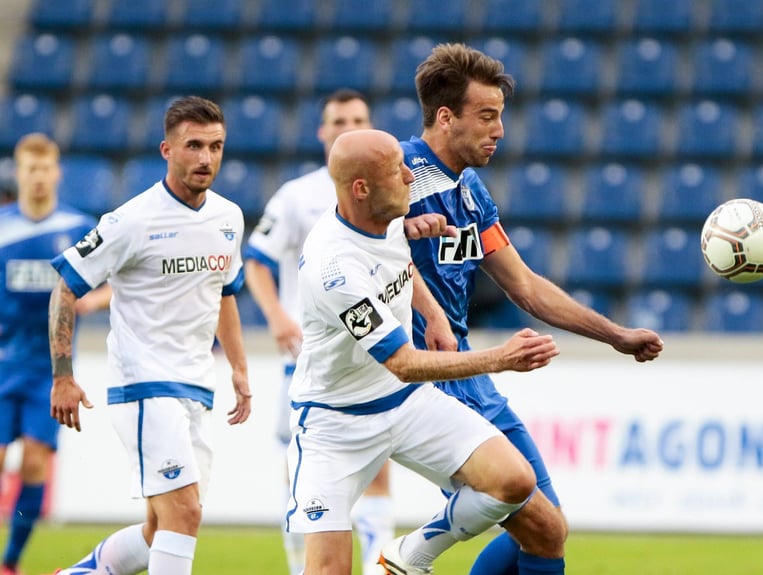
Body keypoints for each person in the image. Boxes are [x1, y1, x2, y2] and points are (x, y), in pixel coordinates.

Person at [383, 43, 665, 575]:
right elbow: (355, 241)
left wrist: (615, 335)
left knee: (547, 526)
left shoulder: (470, 192)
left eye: (500, 117)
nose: (500, 130)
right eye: (487, 116)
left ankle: (410, 554)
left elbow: (526, 286)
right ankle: (409, 553)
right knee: (537, 525)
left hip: (469, 372)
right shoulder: (397, 174)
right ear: (446, 118)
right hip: (422, 373)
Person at [286, 128, 559, 575]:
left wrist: (432, 314)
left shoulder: (385, 215)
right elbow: (404, 363)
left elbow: (402, 261)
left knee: (515, 480)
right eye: (398, 170)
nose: (411, 175)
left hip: (407, 405)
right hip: (335, 424)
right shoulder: (333, 270)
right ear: (362, 188)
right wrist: (502, 359)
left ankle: (408, 555)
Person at [245, 89, 454, 575]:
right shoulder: (297, 196)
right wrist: (277, 316)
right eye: (338, 119)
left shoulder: (387, 183)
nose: (346, 125)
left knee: (379, 468)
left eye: (357, 118)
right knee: (302, 475)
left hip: (377, 352)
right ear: (323, 131)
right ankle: (302, 565)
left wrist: (432, 312)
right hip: (315, 356)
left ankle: (379, 562)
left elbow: (397, 254)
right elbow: (256, 261)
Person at [48, 96, 252, 575]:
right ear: (167, 150)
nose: (206, 158)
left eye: (216, 146)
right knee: (184, 513)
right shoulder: (131, 221)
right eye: (194, 145)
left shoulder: (229, 218)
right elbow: (65, 288)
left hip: (195, 386)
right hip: (143, 385)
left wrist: (240, 369)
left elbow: (224, 293)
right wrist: (63, 375)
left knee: (161, 530)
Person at [0, 133, 110, 575]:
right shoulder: (4, 223)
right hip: (3, 359)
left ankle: (11, 561)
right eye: (30, 169)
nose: (39, 177)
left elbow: (123, 278)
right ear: (19, 173)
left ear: (57, 173)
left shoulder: (80, 226)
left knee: (32, 464)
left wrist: (93, 301)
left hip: (50, 368)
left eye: (46, 169)